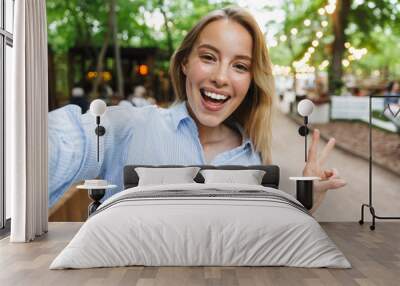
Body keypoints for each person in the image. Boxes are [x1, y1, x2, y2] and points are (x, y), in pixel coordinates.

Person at [48, 7, 345, 213]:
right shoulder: (129, 125)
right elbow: (62, 142)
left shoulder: (253, 158)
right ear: (184, 63)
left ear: (251, 81)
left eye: (240, 66)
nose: (221, 77)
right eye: (208, 57)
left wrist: (309, 201)